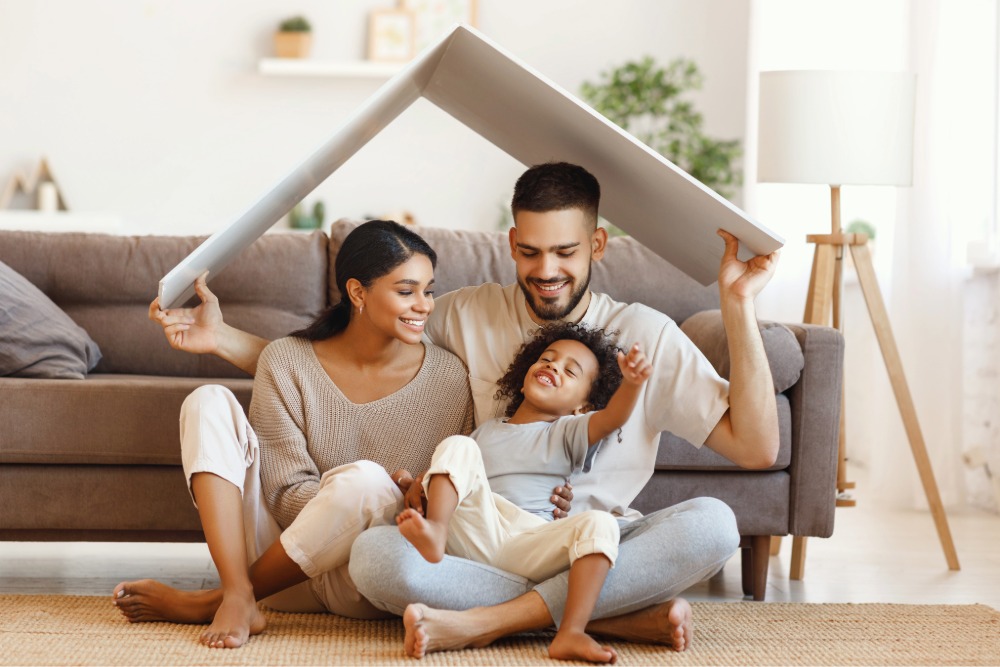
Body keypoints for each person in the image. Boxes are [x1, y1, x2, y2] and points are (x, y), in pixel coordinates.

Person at [144, 162, 780, 655]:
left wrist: (737, 304)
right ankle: (599, 615)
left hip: (595, 544)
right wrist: (222, 340)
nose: (547, 269)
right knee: (375, 558)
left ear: (599, 245)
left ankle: (491, 623)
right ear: (511, 242)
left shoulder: (645, 334)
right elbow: (344, 355)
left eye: (565, 252)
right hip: (479, 547)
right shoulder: (464, 313)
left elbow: (756, 449)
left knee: (713, 526)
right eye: (530, 251)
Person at [112, 220, 473, 649]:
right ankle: (237, 589)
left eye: (429, 290)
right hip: (282, 565)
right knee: (207, 400)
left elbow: (449, 491)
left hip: (365, 574)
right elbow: (283, 495)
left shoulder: (449, 377)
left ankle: (219, 600)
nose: (424, 305)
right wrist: (341, 500)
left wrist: (402, 495)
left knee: (365, 482)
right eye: (406, 291)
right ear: (358, 292)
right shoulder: (286, 360)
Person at [395, 322, 651, 662]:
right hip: (475, 530)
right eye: (547, 358)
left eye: (570, 371)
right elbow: (452, 472)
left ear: (583, 407)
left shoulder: (566, 432)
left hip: (527, 539)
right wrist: (412, 483)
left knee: (600, 524)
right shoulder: (485, 431)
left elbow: (613, 418)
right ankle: (436, 532)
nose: (553, 366)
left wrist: (632, 385)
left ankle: (571, 632)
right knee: (457, 444)